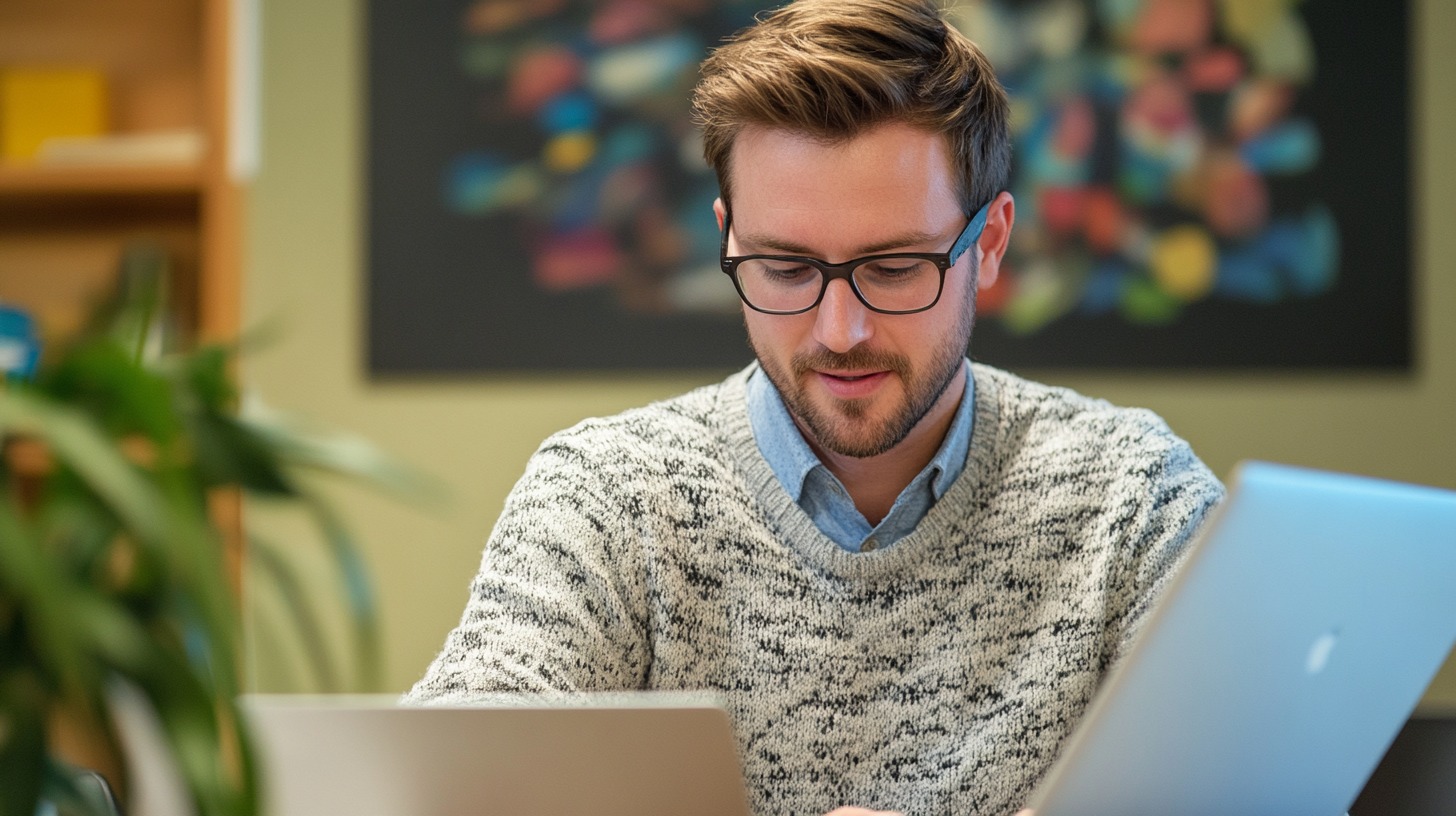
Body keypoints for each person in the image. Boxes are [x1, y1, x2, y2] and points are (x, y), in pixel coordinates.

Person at [406, 1, 1224, 814]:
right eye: (787, 268)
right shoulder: (604, 497)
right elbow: (442, 791)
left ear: (991, 240)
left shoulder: (1133, 498)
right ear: (728, 239)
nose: (841, 332)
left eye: (897, 266)